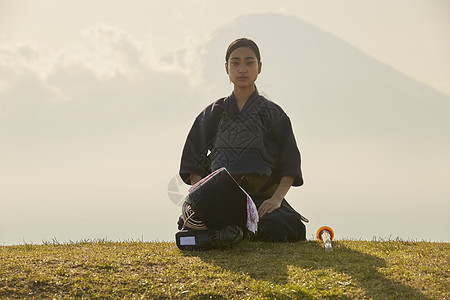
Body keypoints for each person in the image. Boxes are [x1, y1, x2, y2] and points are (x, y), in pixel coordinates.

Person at [179, 38, 307, 242]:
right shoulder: (212, 114)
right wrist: (204, 197)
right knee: (189, 223)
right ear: (226, 68)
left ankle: (232, 233)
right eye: (235, 63)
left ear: (259, 67)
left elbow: (290, 165)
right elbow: (192, 162)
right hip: (220, 199)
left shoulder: (274, 114)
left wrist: (276, 199)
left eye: (249, 62)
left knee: (281, 225)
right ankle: (235, 231)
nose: (242, 69)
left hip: (262, 200)